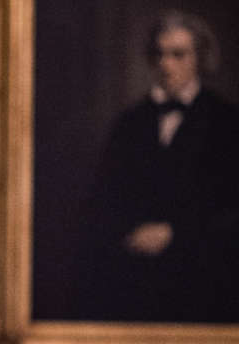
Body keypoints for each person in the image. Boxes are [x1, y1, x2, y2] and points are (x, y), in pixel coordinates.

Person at [83, 10, 239, 322]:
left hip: (203, 284)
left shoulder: (227, 122)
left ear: (200, 58)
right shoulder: (129, 123)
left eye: (178, 55)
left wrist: (175, 234)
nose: (166, 65)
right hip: (135, 283)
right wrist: (129, 234)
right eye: (160, 54)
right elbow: (102, 199)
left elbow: (230, 208)